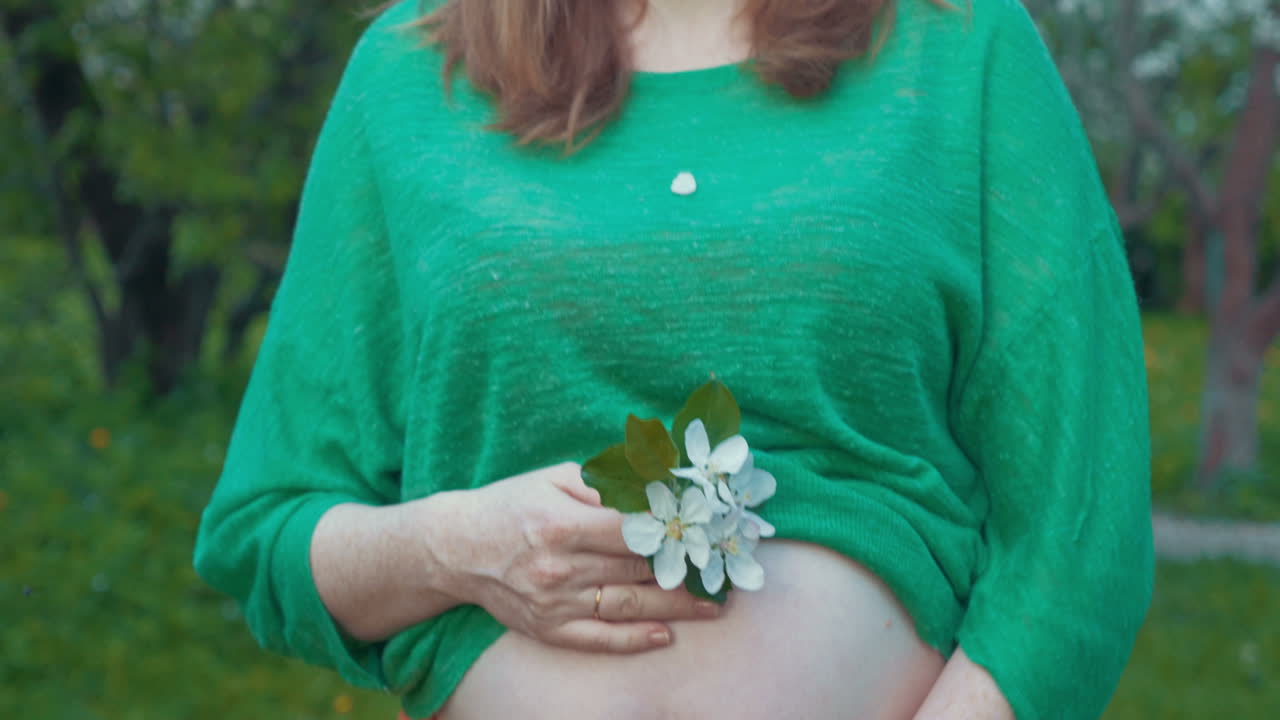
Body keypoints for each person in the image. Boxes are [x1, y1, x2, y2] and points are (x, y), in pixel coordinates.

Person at [192, 0, 1156, 718]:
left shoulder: (960, 44)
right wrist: (460, 549)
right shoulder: (408, 75)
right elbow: (267, 529)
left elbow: (1078, 534)